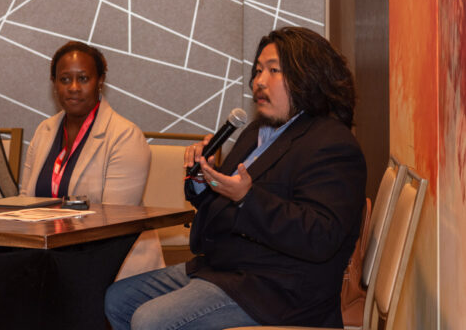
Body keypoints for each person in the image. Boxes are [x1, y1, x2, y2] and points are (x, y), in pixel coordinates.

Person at [105, 27, 367, 329]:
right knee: (118, 299)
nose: (258, 82)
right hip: (226, 270)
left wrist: (248, 198)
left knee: (150, 320)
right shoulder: (256, 132)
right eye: (257, 71)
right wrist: (204, 182)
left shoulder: (331, 143)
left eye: (273, 71)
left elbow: (320, 236)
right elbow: (227, 199)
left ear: (306, 76)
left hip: (279, 291)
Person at [20, 40, 163, 278]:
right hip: (52, 258)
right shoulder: (44, 131)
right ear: (54, 84)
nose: (73, 87)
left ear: (100, 82)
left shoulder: (124, 135)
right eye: (65, 79)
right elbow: (26, 203)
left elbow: (115, 221)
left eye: (83, 79)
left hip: (114, 266)